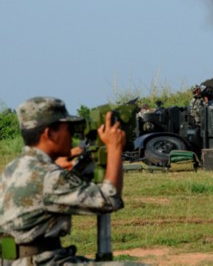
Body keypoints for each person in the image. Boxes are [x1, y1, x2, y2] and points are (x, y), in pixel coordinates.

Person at [0, 97, 127, 265]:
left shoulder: (15, 166)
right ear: (49, 133)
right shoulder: (49, 177)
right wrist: (114, 148)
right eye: (68, 129)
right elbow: (109, 200)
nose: (71, 135)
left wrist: (56, 167)